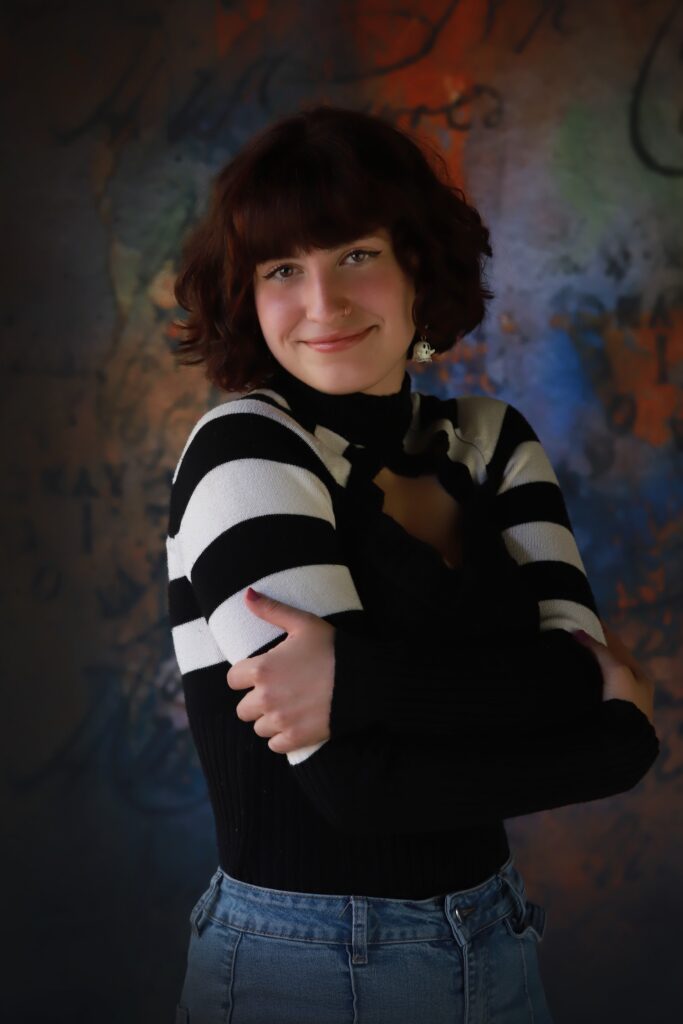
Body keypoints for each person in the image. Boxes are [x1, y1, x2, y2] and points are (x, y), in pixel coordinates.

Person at [166, 104, 658, 1024]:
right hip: (298, 963)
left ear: (419, 265)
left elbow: (577, 670)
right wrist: (616, 749)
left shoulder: (491, 441)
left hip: (499, 936)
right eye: (282, 270)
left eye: (356, 254)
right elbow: (357, 790)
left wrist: (357, 680)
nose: (323, 304)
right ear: (248, 295)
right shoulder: (243, 450)